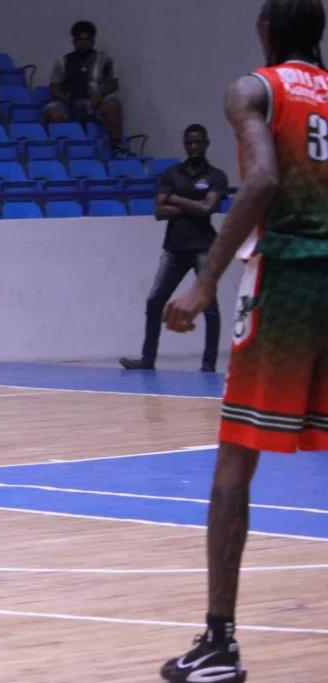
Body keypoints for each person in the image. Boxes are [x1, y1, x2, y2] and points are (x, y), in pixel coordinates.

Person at [160, 2, 328, 681]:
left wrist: (205, 281)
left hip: (288, 278)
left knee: (236, 457)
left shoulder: (255, 87)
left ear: (265, 32)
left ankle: (219, 643)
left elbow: (260, 179)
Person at [120, 124, 229, 373]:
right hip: (174, 248)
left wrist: (176, 199)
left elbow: (207, 210)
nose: (194, 147)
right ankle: (147, 359)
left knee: (209, 307)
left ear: (206, 144)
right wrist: (192, 206)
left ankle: (208, 365)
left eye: (198, 142)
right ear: (184, 144)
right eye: (189, 143)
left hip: (204, 248)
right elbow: (159, 212)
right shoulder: (171, 174)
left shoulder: (216, 176)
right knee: (155, 300)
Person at [44, 21, 127, 156]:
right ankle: (59, 150)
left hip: (94, 103)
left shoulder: (104, 60)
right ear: (74, 41)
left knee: (113, 104)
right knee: (52, 112)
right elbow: (54, 86)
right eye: (79, 40)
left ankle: (117, 146)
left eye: (87, 39)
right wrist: (62, 97)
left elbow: (114, 83)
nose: (83, 43)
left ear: (93, 40)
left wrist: (99, 94)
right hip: (71, 103)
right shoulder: (62, 61)